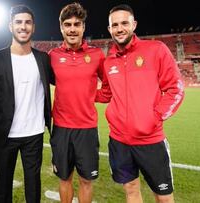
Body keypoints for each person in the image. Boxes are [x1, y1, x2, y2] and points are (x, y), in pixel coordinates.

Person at [96, 4, 185, 203]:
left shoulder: (156, 50)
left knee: (163, 197)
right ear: (109, 29)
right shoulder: (109, 61)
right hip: (119, 141)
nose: (120, 28)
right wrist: (80, 93)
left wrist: (154, 117)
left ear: (134, 24)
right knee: (131, 191)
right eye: (115, 25)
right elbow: (106, 94)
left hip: (150, 141)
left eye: (124, 23)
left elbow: (175, 89)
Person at [0, 5, 52, 203]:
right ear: (10, 26)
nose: (23, 26)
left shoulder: (43, 58)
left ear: (33, 26)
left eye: (28, 22)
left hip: (34, 133)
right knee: (3, 185)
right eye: (19, 22)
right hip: (5, 134)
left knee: (33, 185)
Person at [48, 3, 105, 203]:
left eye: (77, 24)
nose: (72, 28)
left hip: (87, 129)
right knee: (64, 179)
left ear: (83, 27)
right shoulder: (53, 56)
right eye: (68, 24)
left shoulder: (97, 55)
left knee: (86, 180)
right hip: (61, 129)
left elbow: (109, 85)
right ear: (61, 27)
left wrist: (91, 96)